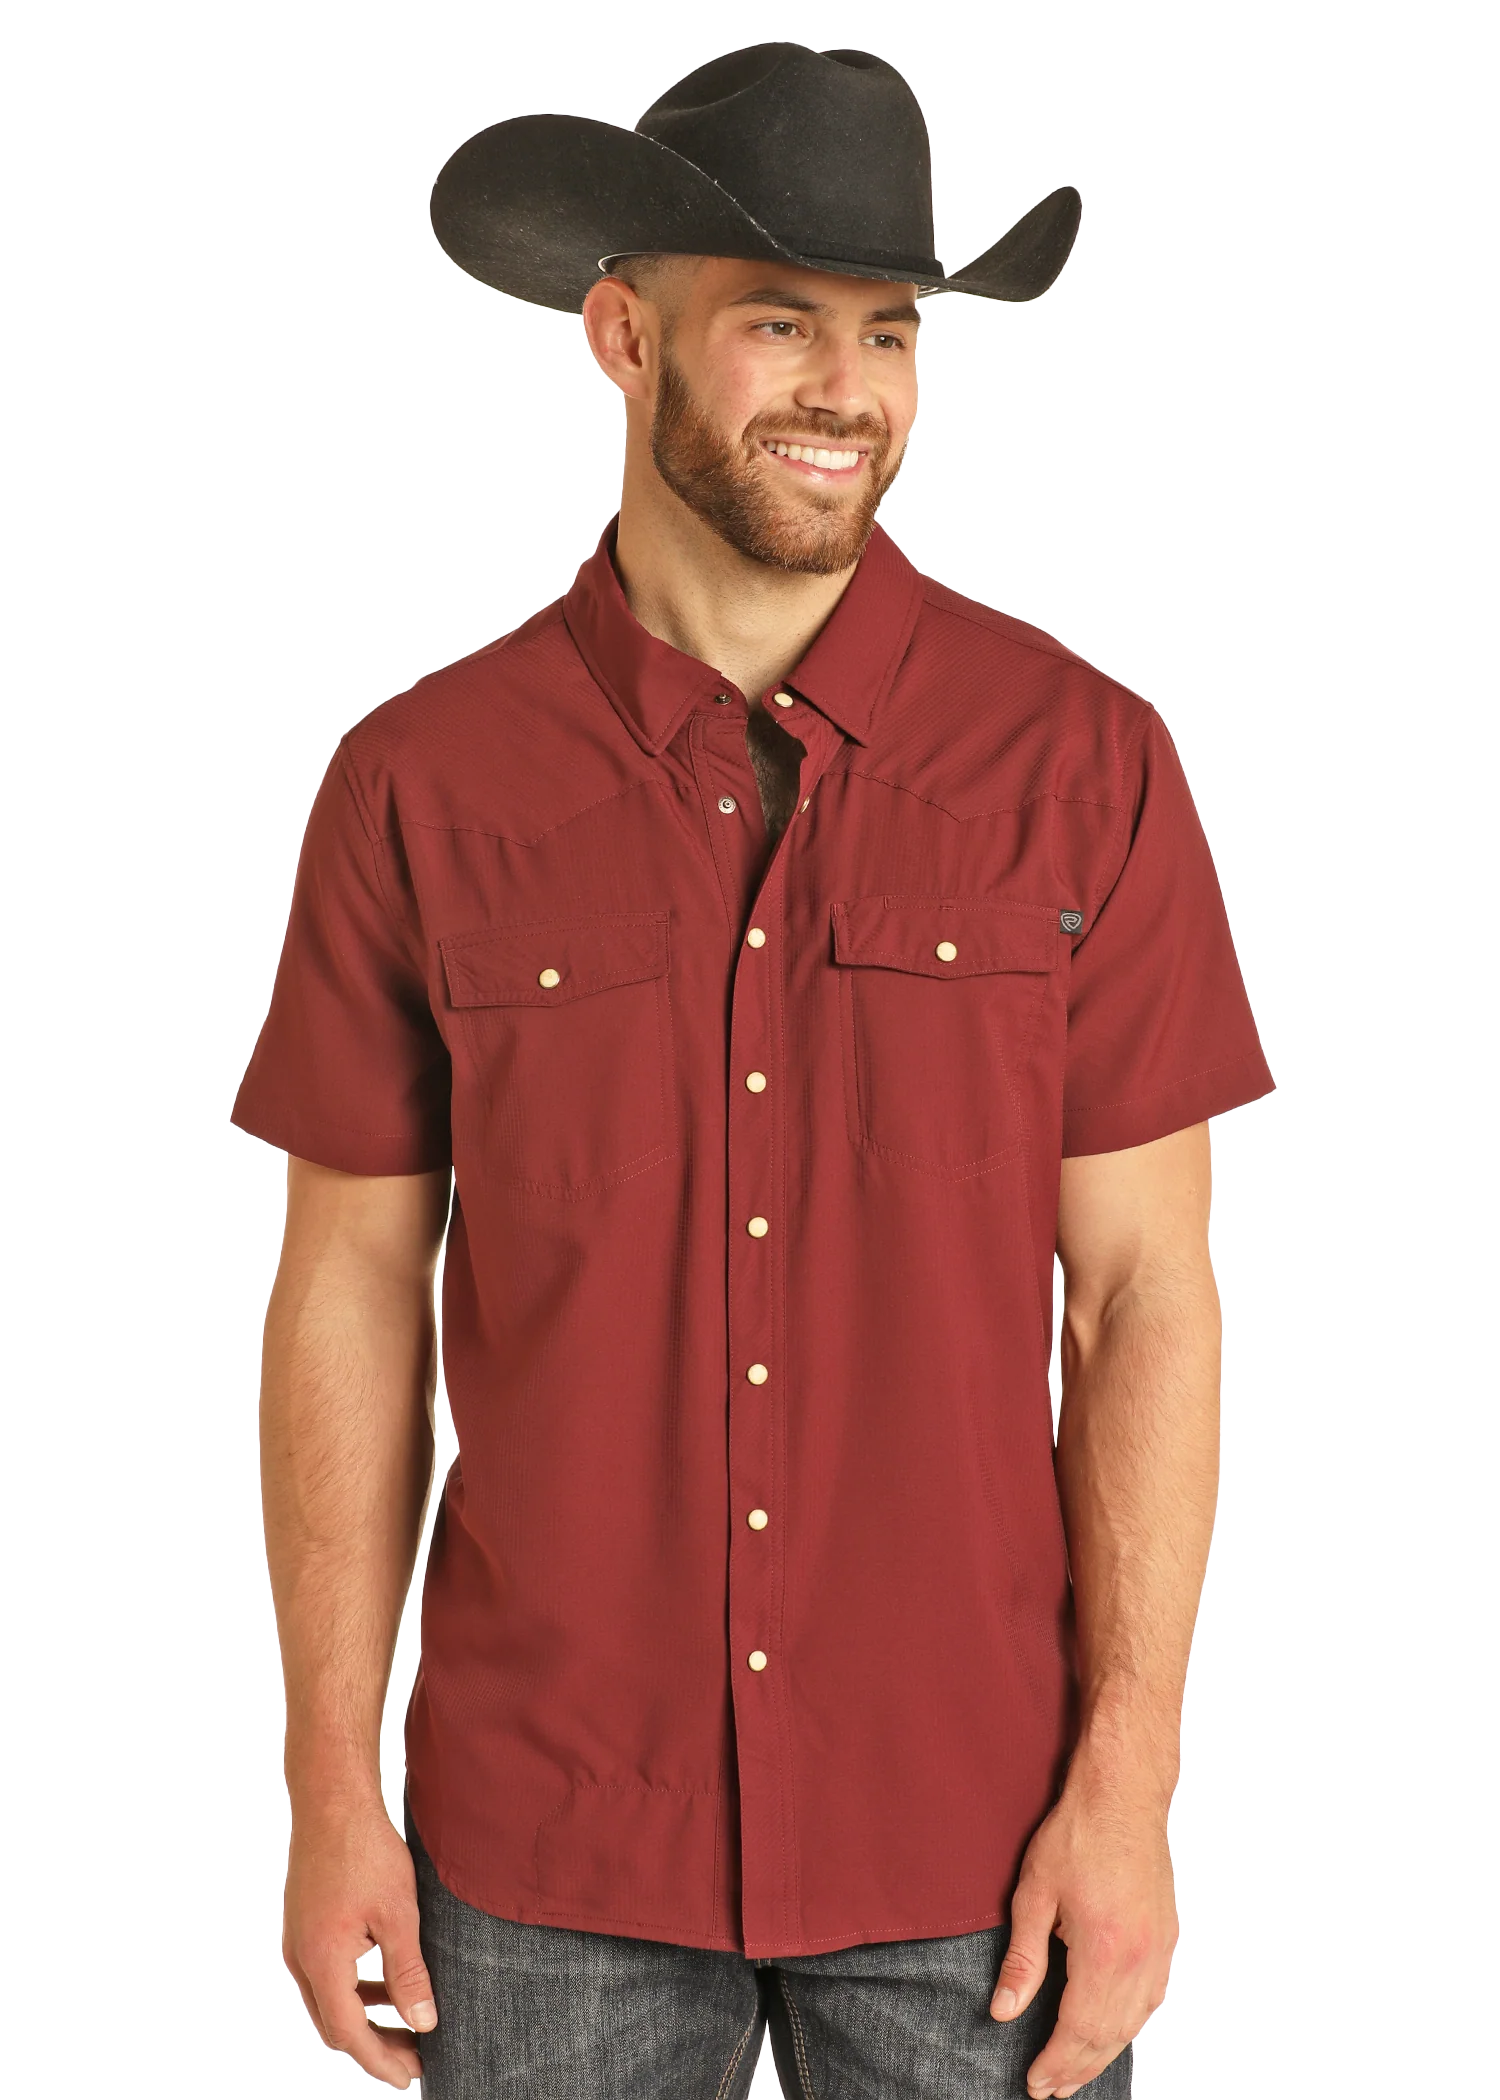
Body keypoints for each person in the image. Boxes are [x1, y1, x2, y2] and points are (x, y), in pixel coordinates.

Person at [229, 41, 1276, 2100]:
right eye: (781, 323)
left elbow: (1147, 1295)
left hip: (979, 1845)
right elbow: (347, 1283)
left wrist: (1130, 1784)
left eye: (892, 333)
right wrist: (329, 1785)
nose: (847, 390)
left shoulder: (1085, 765)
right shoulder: (420, 783)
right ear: (623, 337)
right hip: (543, 1853)